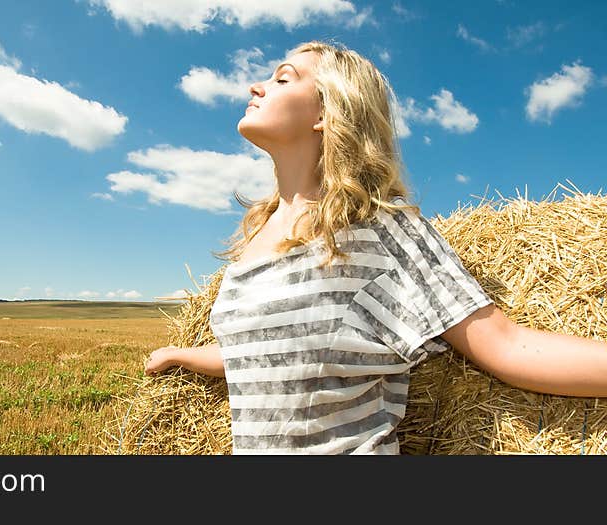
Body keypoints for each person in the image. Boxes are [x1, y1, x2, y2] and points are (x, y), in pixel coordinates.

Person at [144, 39, 607, 454]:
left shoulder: (380, 231)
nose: (256, 85)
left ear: (328, 113)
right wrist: (184, 356)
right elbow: (272, 354)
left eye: (282, 78)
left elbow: (508, 347)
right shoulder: (254, 240)